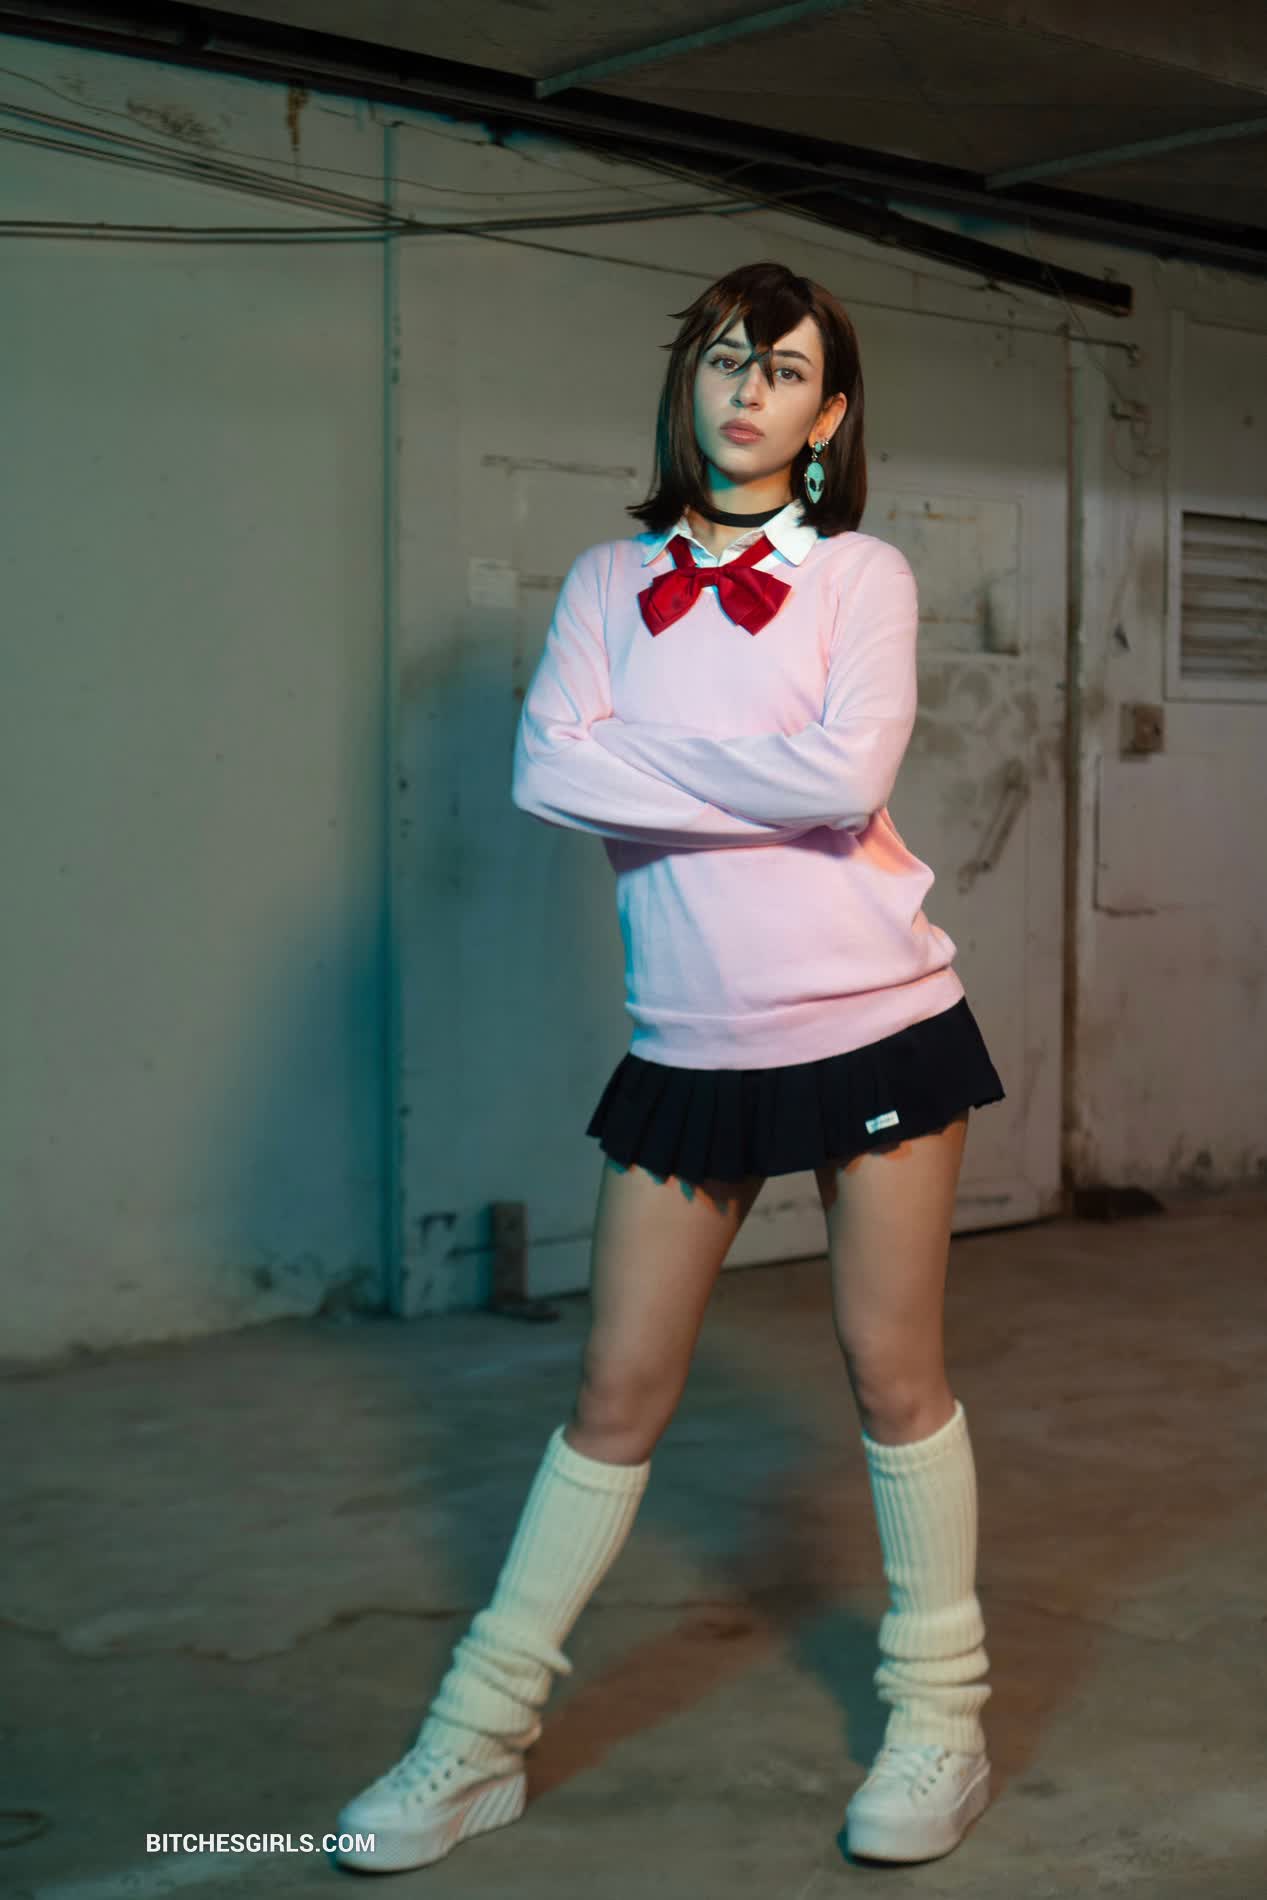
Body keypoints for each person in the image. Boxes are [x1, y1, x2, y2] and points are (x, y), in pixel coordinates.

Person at [334, 259, 1005, 1873]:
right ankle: (478, 1738)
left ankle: (944, 1721)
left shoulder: (861, 577)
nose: (748, 389)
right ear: (688, 382)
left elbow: (846, 777)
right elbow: (545, 776)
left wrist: (641, 756)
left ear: (828, 415)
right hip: (690, 1041)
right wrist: (761, 774)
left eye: (784, 369)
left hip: (879, 1017)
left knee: (893, 1376)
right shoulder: (600, 583)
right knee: (614, 1395)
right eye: (724, 358)